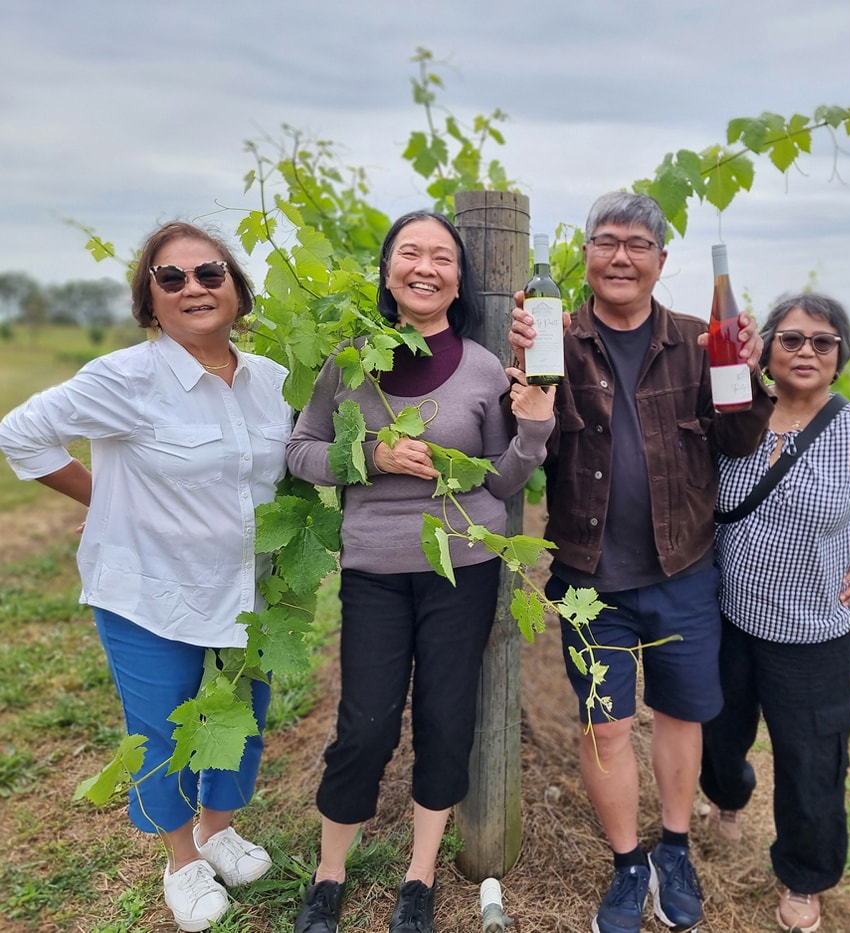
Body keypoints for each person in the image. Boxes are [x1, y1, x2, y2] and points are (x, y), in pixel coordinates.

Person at [0, 222, 293, 932]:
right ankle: (181, 859)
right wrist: (104, 497)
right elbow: (20, 433)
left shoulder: (275, 382)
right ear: (150, 299)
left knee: (239, 719)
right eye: (172, 277)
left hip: (247, 594)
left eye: (210, 272)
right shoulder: (125, 378)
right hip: (149, 592)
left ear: (236, 288)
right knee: (161, 730)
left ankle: (219, 828)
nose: (194, 287)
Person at [508, 191, 774, 933]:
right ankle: (630, 862)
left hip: (683, 570)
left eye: (637, 243)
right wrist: (525, 373)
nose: (620, 255)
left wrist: (746, 372)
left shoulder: (696, 341)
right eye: (605, 241)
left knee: (681, 714)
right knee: (608, 725)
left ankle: (676, 847)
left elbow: (742, 441)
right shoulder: (556, 339)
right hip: (590, 579)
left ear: (662, 261)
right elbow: (538, 450)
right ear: (586, 255)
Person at [286, 209, 555, 933]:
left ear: (460, 278)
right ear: (387, 268)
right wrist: (366, 457)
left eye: (442, 256)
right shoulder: (352, 358)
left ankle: (419, 876)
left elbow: (500, 482)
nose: (425, 266)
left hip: (461, 571)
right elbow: (301, 449)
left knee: (445, 718)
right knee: (365, 725)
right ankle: (329, 874)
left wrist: (534, 428)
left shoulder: (478, 367)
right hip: (373, 569)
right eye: (411, 252)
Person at [699, 293, 850, 933]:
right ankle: (726, 801)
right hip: (727, 615)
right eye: (792, 338)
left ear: (840, 358)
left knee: (811, 760)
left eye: (823, 341)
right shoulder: (737, 409)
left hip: (812, 634)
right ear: (766, 350)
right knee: (720, 736)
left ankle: (805, 878)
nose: (807, 351)